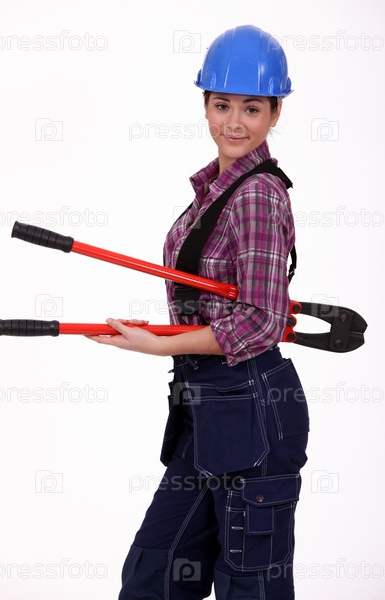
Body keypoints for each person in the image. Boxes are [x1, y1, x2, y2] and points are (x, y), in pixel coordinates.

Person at [88, 24, 309, 600]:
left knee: (249, 587)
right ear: (205, 104)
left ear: (276, 112)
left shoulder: (256, 194)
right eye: (221, 104)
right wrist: (163, 339)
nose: (234, 122)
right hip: (207, 406)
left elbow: (259, 322)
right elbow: (227, 302)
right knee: (155, 574)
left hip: (253, 407)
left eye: (252, 108)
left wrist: (161, 345)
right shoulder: (215, 188)